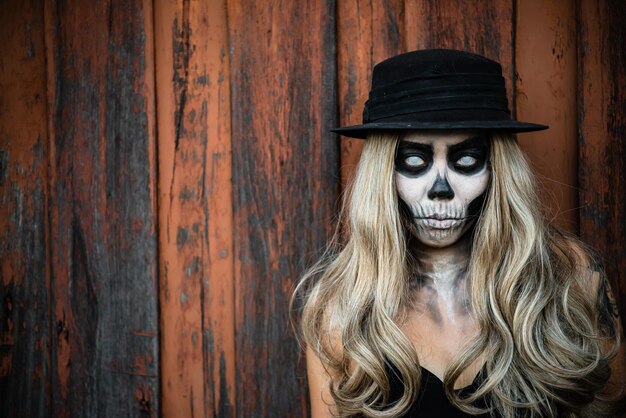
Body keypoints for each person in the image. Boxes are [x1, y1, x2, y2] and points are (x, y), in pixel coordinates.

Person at [291, 49, 625, 417]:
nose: (440, 189)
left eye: (466, 160)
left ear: (498, 170)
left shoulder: (572, 278)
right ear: (383, 174)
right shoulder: (341, 310)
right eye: (414, 162)